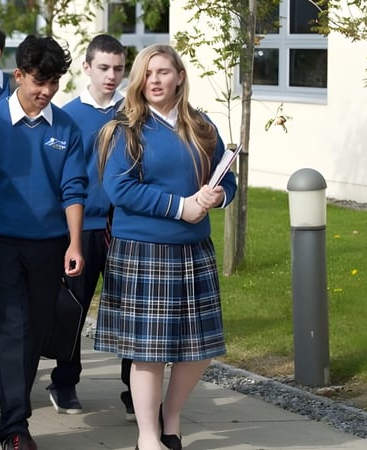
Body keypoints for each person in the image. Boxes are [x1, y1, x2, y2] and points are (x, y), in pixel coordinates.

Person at [93, 44, 237, 450]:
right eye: (147, 73)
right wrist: (181, 207)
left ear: (179, 77)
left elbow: (228, 180)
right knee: (149, 353)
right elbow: (119, 188)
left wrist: (216, 198)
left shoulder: (202, 125)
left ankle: (171, 422)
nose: (154, 80)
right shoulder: (124, 129)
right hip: (143, 252)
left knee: (199, 350)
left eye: (163, 72)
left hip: (194, 251)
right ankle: (149, 437)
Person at [0, 35, 86, 450]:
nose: (47, 91)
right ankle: (14, 428)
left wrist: (74, 244)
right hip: (1, 244)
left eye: (54, 82)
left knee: (35, 331)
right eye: (40, 81)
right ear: (18, 75)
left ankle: (16, 412)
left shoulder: (66, 127)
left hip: (50, 245)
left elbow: (73, 188)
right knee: (13, 328)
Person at [47, 33, 127, 415]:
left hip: (126, 228)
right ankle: (64, 382)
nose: (111, 76)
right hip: (83, 229)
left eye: (118, 69)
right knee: (74, 308)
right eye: (104, 68)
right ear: (87, 68)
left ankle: (134, 389)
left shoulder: (133, 114)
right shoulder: (66, 117)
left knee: (131, 310)